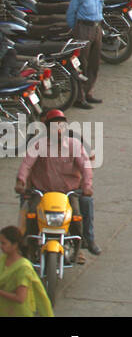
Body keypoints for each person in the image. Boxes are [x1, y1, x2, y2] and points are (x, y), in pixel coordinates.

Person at [15, 109, 96, 258]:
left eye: (61, 126)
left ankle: (80, 245)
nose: (59, 131)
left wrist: (87, 186)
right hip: (42, 192)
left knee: (76, 216)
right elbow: (26, 164)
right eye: (54, 127)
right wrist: (21, 181)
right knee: (31, 214)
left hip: (68, 193)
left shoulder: (74, 144)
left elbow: (86, 167)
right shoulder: (38, 144)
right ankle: (29, 244)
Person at [65, 0, 103, 108]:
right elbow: (71, 13)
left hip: (96, 28)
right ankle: (79, 97)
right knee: (82, 64)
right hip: (83, 28)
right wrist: (75, 30)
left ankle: (88, 92)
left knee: (94, 63)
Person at [0, 226, 52, 316]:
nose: (1, 246)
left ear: (15, 245)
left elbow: (20, 298)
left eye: (3, 243)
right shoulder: (3, 260)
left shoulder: (23, 267)